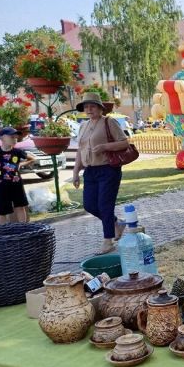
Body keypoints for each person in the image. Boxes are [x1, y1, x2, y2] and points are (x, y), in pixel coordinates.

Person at [72, 92, 129, 254]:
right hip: (90, 171)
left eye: (92, 106)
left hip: (108, 169)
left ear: (100, 108)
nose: (89, 109)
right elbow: (80, 150)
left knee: (105, 205)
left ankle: (108, 241)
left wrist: (105, 147)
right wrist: (76, 172)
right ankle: (117, 223)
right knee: (90, 205)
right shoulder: (83, 126)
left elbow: (124, 143)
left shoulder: (108, 122)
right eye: (86, 106)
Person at [0, 127, 36, 223]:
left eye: (16, 137)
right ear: (2, 138)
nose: (15, 139)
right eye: (12, 137)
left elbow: (32, 159)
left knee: (20, 206)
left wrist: (20, 164)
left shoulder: (17, 152)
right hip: (1, 185)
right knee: (2, 210)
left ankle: (22, 228)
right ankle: (3, 231)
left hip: (16, 184)